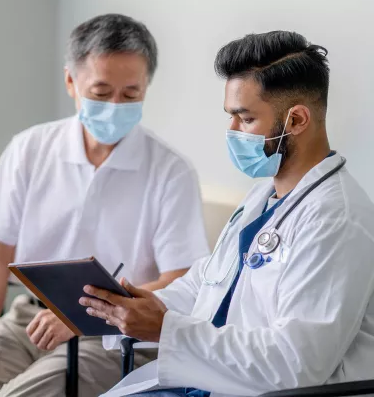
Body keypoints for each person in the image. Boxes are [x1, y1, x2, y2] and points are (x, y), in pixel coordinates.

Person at [80, 30, 374, 397]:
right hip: (204, 380)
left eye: (245, 118)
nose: (231, 131)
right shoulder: (262, 198)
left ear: (297, 120)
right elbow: (206, 284)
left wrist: (165, 329)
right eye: (230, 116)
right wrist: (142, 308)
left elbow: (297, 365)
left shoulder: (337, 220)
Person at [0, 14, 210, 397]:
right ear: (71, 81)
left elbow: (182, 276)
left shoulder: (170, 171)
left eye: (131, 94)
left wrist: (82, 314)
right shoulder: (30, 149)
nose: (116, 105)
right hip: (29, 319)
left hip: (113, 336)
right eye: (101, 93)